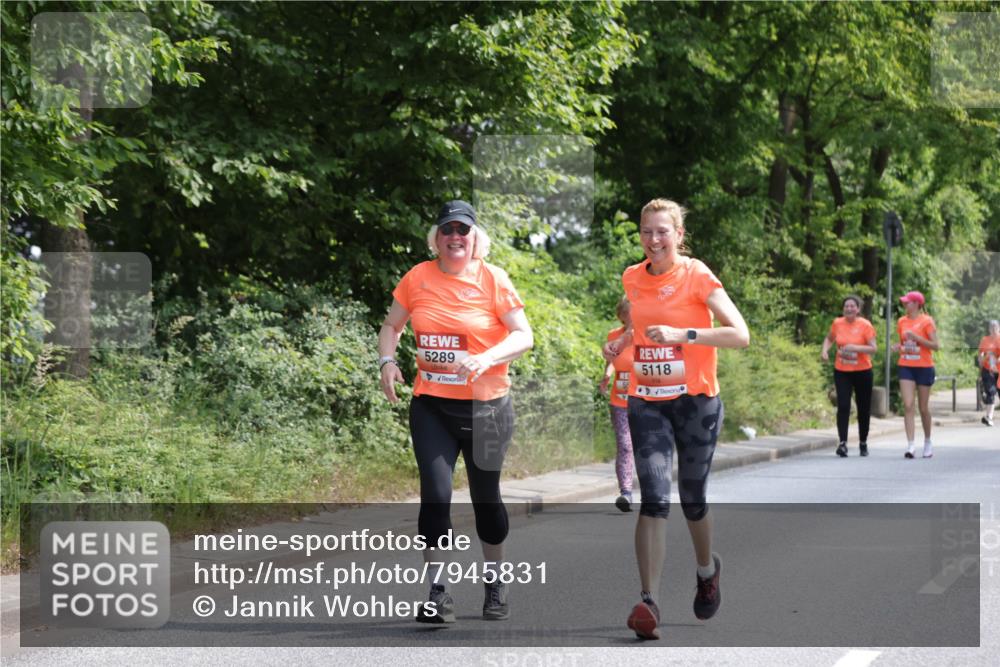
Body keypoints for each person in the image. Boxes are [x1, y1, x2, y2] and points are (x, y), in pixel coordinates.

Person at [378, 200, 533, 624]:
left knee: (486, 501)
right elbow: (392, 326)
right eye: (447, 230)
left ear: (475, 237)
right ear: (437, 237)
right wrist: (387, 362)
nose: (455, 238)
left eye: (463, 230)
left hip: (488, 407)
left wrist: (486, 358)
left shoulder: (493, 279)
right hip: (432, 405)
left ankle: (496, 581)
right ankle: (437, 592)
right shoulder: (417, 278)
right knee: (436, 496)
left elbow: (523, 336)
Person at [603, 198, 750, 640]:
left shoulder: (697, 274)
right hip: (647, 399)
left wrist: (684, 335)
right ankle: (649, 602)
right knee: (653, 496)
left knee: (692, 498)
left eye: (662, 231)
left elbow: (739, 334)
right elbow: (643, 326)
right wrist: (623, 342)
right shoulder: (632, 276)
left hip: (696, 402)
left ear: (679, 235)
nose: (654, 240)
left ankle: (707, 569)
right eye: (647, 232)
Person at [821, 296, 878, 457]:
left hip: (863, 371)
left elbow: (874, 348)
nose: (849, 309)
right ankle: (843, 443)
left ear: (858, 309)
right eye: (846, 306)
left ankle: (863, 442)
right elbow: (829, 338)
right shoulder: (837, 323)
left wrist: (856, 348)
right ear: (843, 309)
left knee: (863, 407)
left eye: (853, 306)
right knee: (843, 405)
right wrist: (825, 350)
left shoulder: (865, 325)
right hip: (842, 370)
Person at [892, 291, 940, 459]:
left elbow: (935, 346)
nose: (905, 305)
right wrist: (898, 346)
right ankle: (911, 445)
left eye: (908, 302)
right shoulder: (901, 321)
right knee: (908, 405)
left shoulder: (927, 321)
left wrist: (917, 338)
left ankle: (927, 441)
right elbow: (905, 343)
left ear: (917, 304)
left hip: (924, 367)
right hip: (906, 365)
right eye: (905, 302)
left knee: (923, 408)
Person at [599, 296, 635, 512]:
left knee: (644, 446)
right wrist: (607, 374)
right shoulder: (614, 335)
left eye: (632, 315)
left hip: (646, 399)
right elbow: (612, 360)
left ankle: (653, 490)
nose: (629, 320)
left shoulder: (647, 335)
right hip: (620, 398)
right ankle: (626, 493)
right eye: (625, 316)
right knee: (625, 445)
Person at [977, 319, 1000, 426]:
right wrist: (980, 359)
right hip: (988, 369)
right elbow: (980, 353)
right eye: (992, 327)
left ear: (999, 328)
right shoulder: (985, 339)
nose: (994, 329)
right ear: (989, 329)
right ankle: (989, 417)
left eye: (995, 327)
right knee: (990, 392)